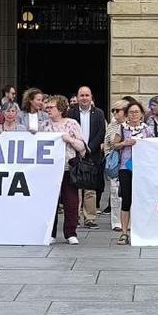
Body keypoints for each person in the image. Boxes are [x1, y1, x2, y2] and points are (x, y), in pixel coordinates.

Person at [43, 95, 87, 245]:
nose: (48, 110)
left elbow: (82, 147)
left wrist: (71, 140)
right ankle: (51, 232)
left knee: (71, 201)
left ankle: (70, 233)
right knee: (50, 202)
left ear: (60, 109)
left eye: (51, 107)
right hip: (50, 169)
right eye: (47, 107)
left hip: (69, 168)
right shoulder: (44, 126)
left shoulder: (72, 124)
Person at [67, 86, 106, 229]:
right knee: (75, 186)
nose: (84, 98)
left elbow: (101, 132)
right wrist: (79, 148)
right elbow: (68, 131)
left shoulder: (99, 113)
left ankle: (90, 218)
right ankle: (75, 217)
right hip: (75, 153)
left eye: (87, 95)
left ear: (91, 97)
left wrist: (88, 148)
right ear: (77, 98)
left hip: (92, 154)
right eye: (81, 95)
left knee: (90, 188)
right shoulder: (70, 113)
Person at [113, 100, 147, 245]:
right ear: (127, 114)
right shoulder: (122, 128)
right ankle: (124, 232)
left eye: (136, 112)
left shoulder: (147, 129)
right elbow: (114, 145)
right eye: (131, 112)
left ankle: (139, 231)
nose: (134, 115)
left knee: (141, 200)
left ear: (141, 114)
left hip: (143, 168)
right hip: (126, 168)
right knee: (126, 199)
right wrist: (124, 143)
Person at [102, 100, 128, 231]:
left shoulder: (132, 124)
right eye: (113, 110)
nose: (114, 113)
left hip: (130, 161)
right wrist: (108, 156)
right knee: (115, 191)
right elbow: (108, 142)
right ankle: (116, 222)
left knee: (128, 192)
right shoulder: (113, 125)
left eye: (118, 110)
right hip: (116, 161)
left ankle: (129, 221)